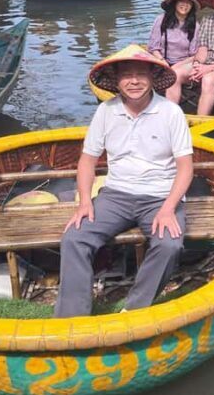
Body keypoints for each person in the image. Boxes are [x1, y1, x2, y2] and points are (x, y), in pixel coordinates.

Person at [55, 45, 193, 317]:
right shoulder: (106, 111)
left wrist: (168, 208)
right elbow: (87, 160)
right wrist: (85, 202)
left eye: (140, 74)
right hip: (115, 195)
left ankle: (134, 310)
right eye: (127, 75)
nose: (134, 81)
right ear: (116, 80)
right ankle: (72, 317)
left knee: (169, 245)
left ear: (152, 77)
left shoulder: (170, 112)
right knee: (74, 238)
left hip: (160, 196)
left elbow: (185, 167)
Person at [148, 0, 202, 104]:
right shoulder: (161, 20)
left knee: (174, 75)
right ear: (175, 3)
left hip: (184, 64)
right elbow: (153, 47)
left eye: (188, 3)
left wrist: (175, 67)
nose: (185, 5)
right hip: (162, 61)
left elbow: (194, 55)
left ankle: (171, 110)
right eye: (181, 1)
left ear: (192, 6)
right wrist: (162, 61)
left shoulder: (195, 26)